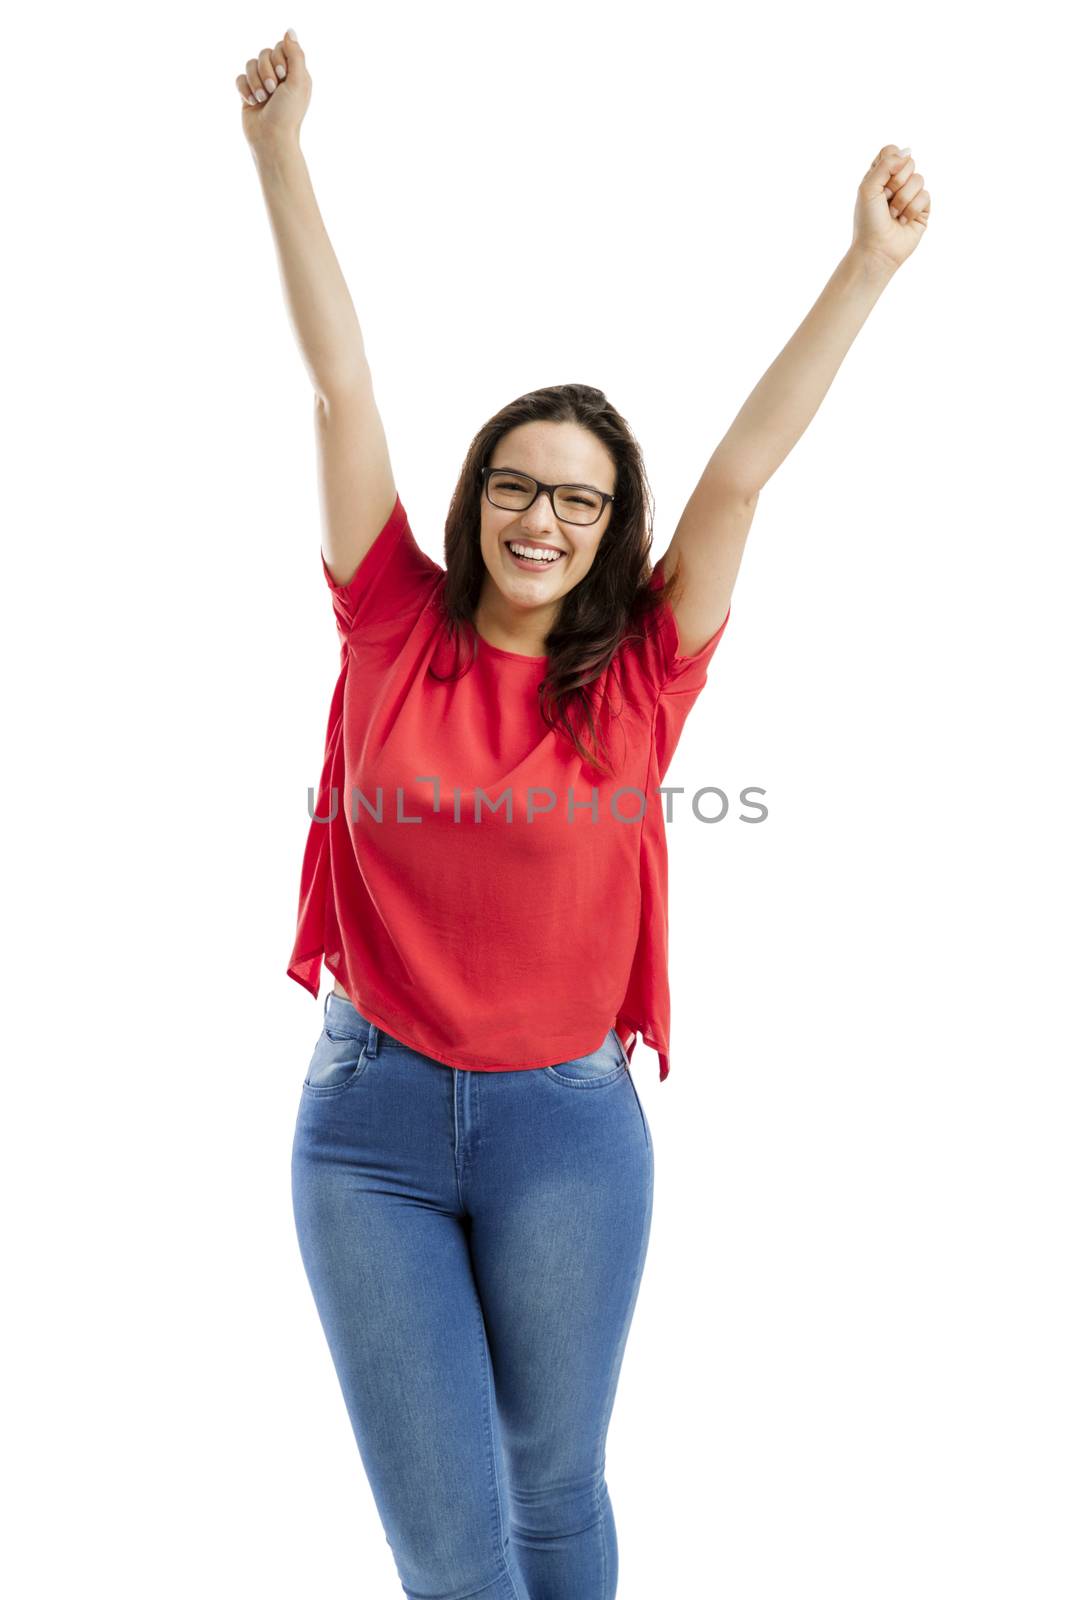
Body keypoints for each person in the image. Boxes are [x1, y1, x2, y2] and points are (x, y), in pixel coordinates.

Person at [239, 29, 930, 1600]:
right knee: (451, 1545)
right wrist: (280, 159)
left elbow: (744, 476)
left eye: (580, 498)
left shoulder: (638, 685)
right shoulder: (388, 622)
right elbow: (342, 380)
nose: (541, 518)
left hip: (569, 1130)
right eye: (514, 485)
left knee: (555, 1499)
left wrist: (865, 267)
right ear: (476, 495)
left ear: (610, 527)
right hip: (372, 1130)